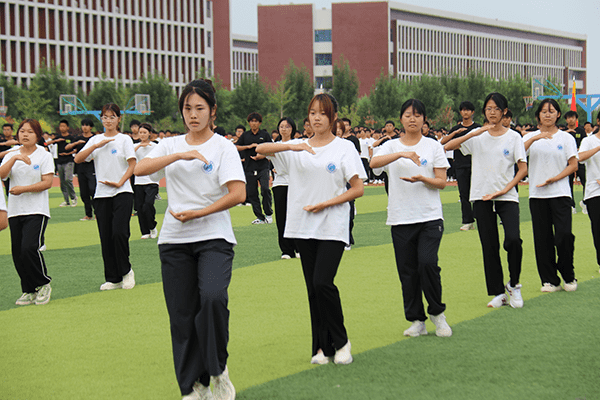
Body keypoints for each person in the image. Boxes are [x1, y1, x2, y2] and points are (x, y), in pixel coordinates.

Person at [135, 79, 244, 400]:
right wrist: (178, 156)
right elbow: (141, 169)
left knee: (212, 297)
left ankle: (218, 368)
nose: (193, 115)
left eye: (200, 108)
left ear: (212, 111)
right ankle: (193, 387)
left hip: (214, 237)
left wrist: (201, 212)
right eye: (187, 108)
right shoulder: (169, 145)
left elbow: (239, 192)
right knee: (181, 315)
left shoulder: (223, 147)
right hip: (174, 241)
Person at [256, 93, 366, 366]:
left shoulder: (343, 148)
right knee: (312, 289)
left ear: (333, 117)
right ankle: (320, 348)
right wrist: (293, 148)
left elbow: (358, 188)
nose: (316, 118)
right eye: (312, 113)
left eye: (322, 113)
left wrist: (327, 203)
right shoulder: (297, 147)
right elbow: (261, 151)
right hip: (302, 227)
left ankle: (341, 342)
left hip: (332, 225)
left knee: (323, 282)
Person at [370, 99, 452, 337]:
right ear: (401, 119)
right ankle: (417, 320)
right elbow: (374, 163)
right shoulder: (390, 146)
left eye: (417, 115)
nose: (412, 119)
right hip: (400, 217)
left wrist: (423, 179)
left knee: (427, 263)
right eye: (408, 115)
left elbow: (442, 182)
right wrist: (401, 154)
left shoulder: (433, 146)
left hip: (429, 217)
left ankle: (438, 314)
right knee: (407, 271)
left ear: (424, 119)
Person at [444, 93, 527, 308]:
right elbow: (448, 146)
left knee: (513, 240)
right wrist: (475, 132)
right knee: (489, 246)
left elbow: (522, 168)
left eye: (496, 109)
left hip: (507, 196)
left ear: (504, 112)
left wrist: (506, 189)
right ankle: (498, 292)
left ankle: (514, 284)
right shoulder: (478, 136)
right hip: (481, 196)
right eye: (488, 109)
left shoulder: (514, 137)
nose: (492, 112)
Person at [74, 103, 137, 291]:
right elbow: (78, 159)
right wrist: (97, 144)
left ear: (118, 119)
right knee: (106, 236)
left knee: (119, 233)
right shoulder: (96, 139)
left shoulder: (124, 139)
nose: (108, 120)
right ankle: (113, 277)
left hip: (122, 192)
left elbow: (132, 165)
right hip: (101, 194)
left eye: (112, 117)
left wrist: (120, 182)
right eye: (105, 117)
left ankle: (126, 272)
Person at [523, 99, 578, 293]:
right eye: (544, 111)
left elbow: (573, 165)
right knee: (542, 238)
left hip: (561, 193)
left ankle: (568, 275)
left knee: (564, 235)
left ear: (558, 115)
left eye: (552, 111)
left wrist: (555, 178)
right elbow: (519, 155)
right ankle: (549, 280)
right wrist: (535, 138)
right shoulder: (529, 137)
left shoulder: (566, 138)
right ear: (538, 115)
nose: (547, 114)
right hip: (537, 195)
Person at [0, 119, 54, 305]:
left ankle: (44, 283)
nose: (25, 134)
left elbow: (47, 183)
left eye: (30, 132)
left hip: (36, 210)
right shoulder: (12, 154)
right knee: (17, 253)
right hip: (15, 211)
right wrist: (14, 158)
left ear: (37, 135)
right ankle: (29, 290)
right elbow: (1, 175)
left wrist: (23, 189)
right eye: (22, 131)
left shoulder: (43, 155)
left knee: (29, 247)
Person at [440, 101, 480, 231]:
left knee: (478, 193)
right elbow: (443, 142)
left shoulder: (478, 128)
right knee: (464, 193)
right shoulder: (456, 129)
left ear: (472, 112)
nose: (465, 112)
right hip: (461, 165)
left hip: (477, 164)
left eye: (468, 110)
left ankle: (481, 219)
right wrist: (454, 133)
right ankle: (468, 221)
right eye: (463, 110)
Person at [267, 117, 299, 259]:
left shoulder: (299, 144)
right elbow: (261, 151)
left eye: (287, 126)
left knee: (297, 216)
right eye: (281, 126)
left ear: (292, 129)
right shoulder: (274, 145)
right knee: (282, 217)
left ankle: (299, 247)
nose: (284, 129)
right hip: (280, 183)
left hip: (296, 183)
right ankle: (286, 250)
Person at [235, 112, 273, 224]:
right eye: (252, 121)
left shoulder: (265, 135)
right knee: (252, 193)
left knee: (265, 189)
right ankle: (260, 217)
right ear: (249, 123)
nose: (254, 123)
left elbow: (271, 148)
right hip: (249, 167)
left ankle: (268, 213)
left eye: (256, 121)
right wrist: (248, 146)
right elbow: (236, 147)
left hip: (263, 167)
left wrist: (261, 155)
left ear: (260, 123)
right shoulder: (245, 135)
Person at [133, 123, 159, 239]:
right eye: (140, 132)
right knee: (139, 207)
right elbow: (128, 156)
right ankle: (145, 231)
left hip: (152, 180)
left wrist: (147, 145)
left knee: (147, 205)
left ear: (149, 133)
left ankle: (152, 226)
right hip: (138, 181)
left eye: (144, 132)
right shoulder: (134, 146)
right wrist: (139, 146)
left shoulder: (155, 146)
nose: (142, 135)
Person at [70, 118, 97, 220]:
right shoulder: (78, 138)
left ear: (91, 127)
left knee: (93, 189)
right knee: (84, 192)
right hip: (81, 167)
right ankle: (88, 214)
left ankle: (97, 213)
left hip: (92, 167)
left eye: (87, 125)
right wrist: (75, 144)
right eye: (83, 125)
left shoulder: (95, 139)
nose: (84, 127)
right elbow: (67, 148)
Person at [49, 120, 78, 207]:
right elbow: (46, 143)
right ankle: (66, 201)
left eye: (64, 126)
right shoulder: (58, 137)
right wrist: (56, 140)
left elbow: (76, 149)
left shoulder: (71, 138)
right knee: (62, 182)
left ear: (67, 127)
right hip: (59, 161)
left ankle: (73, 197)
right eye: (60, 126)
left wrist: (67, 154)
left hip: (69, 160)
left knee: (68, 179)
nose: (62, 128)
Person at [564, 111, 587, 214]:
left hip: (580, 160)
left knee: (584, 180)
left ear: (576, 119)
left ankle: (585, 202)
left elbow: (585, 144)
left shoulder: (581, 131)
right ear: (566, 119)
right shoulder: (563, 132)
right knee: (568, 183)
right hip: (567, 161)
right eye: (569, 117)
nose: (571, 119)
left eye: (573, 117)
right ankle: (571, 205)